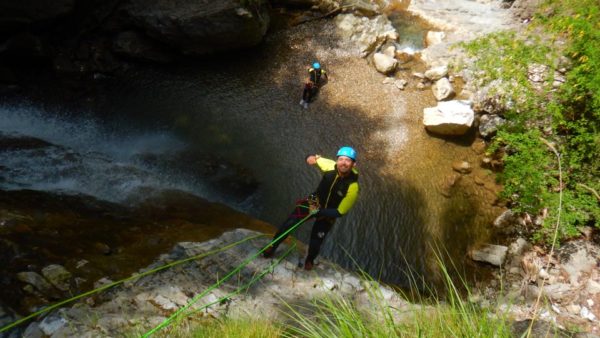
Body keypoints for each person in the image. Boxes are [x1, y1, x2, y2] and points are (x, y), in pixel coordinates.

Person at [263, 146, 359, 271]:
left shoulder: (353, 187)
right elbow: (311, 158)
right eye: (341, 159)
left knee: (316, 240)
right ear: (337, 161)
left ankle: (309, 260)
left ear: (354, 164)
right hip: (314, 202)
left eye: (348, 160)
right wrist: (310, 158)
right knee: (289, 224)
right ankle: (273, 246)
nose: (343, 163)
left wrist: (320, 212)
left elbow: (340, 211)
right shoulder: (329, 166)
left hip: (328, 213)